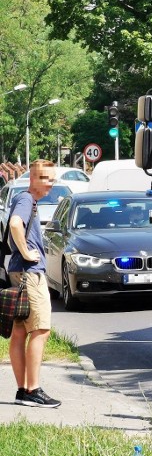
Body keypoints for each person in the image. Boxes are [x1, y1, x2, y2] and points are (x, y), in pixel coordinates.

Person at [8, 159, 60, 408]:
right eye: (44, 178)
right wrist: (28, 254)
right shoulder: (26, 199)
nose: (50, 182)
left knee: (19, 332)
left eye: (52, 178)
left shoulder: (26, 199)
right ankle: (32, 389)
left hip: (19, 272)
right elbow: (15, 224)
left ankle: (22, 391)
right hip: (29, 273)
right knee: (40, 330)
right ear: (32, 178)